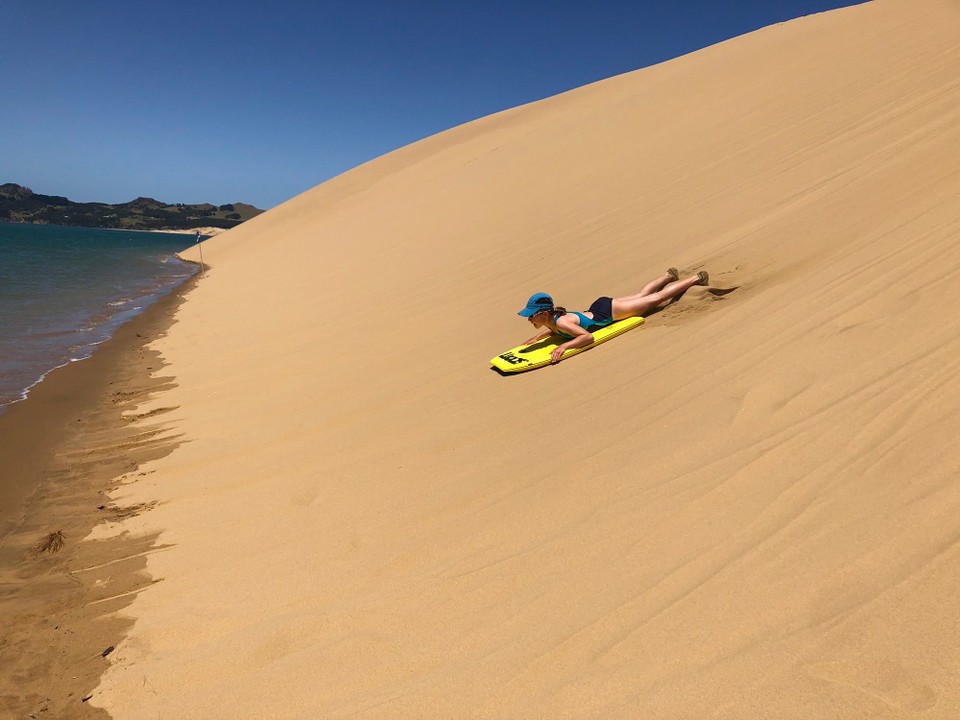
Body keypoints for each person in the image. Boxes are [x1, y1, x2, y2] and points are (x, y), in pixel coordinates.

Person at [517, 268, 709, 363]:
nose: (529, 319)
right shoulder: (552, 321)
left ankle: (696, 278)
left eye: (531, 316)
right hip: (601, 306)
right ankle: (668, 276)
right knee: (641, 296)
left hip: (608, 313)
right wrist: (536, 338)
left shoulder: (563, 322)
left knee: (655, 299)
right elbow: (553, 331)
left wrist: (564, 347)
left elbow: (587, 337)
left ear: (542, 313)